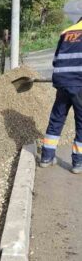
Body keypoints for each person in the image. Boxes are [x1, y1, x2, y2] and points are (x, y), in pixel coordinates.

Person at [41, 17, 82, 173]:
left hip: (63, 83)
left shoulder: (66, 32)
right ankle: (78, 163)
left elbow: (56, 60)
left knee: (57, 119)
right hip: (80, 84)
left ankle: (46, 157)